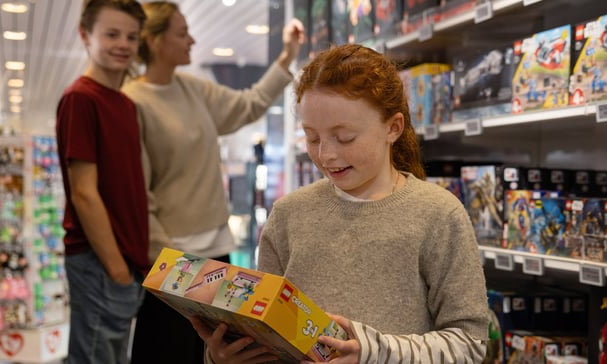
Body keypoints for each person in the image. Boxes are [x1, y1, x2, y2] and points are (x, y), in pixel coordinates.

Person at [191, 43, 489, 363]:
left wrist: (373, 353)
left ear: (393, 127)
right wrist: (222, 356)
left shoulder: (439, 214)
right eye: (313, 137)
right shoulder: (289, 215)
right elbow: (269, 332)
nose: (326, 154)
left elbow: (469, 343)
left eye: (344, 137)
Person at [120, 2, 304, 363]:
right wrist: (162, 264)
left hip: (215, 252)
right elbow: (138, 195)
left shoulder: (193, 89)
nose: (192, 39)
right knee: (168, 351)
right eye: (181, 32)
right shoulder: (132, 102)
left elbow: (248, 105)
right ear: (155, 42)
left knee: (219, 354)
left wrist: (287, 57)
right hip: (172, 263)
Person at [55, 0, 148, 363]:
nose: (123, 44)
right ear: (85, 35)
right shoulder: (81, 98)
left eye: (131, 36)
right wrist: (117, 269)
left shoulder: (123, 103)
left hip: (122, 259)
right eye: (111, 34)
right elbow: (83, 192)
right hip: (99, 261)